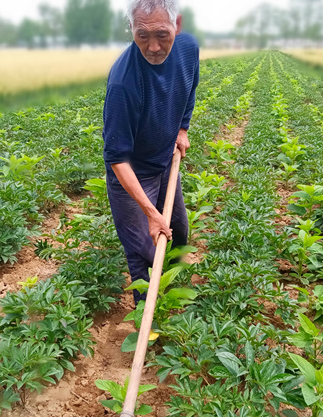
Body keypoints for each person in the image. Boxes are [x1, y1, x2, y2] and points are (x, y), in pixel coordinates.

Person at [102, 0, 199, 305]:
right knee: (142, 250)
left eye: (162, 34)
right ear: (131, 29)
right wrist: (150, 213)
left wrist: (182, 128)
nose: (153, 47)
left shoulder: (187, 49)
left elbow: (190, 85)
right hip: (132, 174)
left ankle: (167, 294)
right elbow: (117, 157)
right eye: (142, 36)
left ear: (177, 25)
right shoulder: (123, 82)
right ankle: (148, 313)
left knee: (179, 233)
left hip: (164, 162)